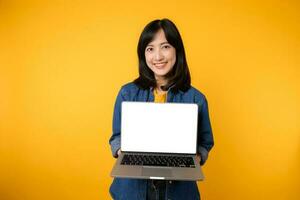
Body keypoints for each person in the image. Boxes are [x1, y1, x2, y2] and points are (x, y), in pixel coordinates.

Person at [109, 18, 214, 200]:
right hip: (132, 192)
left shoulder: (196, 98)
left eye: (165, 46)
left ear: (177, 50)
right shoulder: (127, 93)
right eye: (150, 49)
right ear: (143, 55)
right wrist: (125, 154)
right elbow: (116, 137)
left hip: (178, 192)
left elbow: (205, 143)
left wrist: (194, 159)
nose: (157, 57)